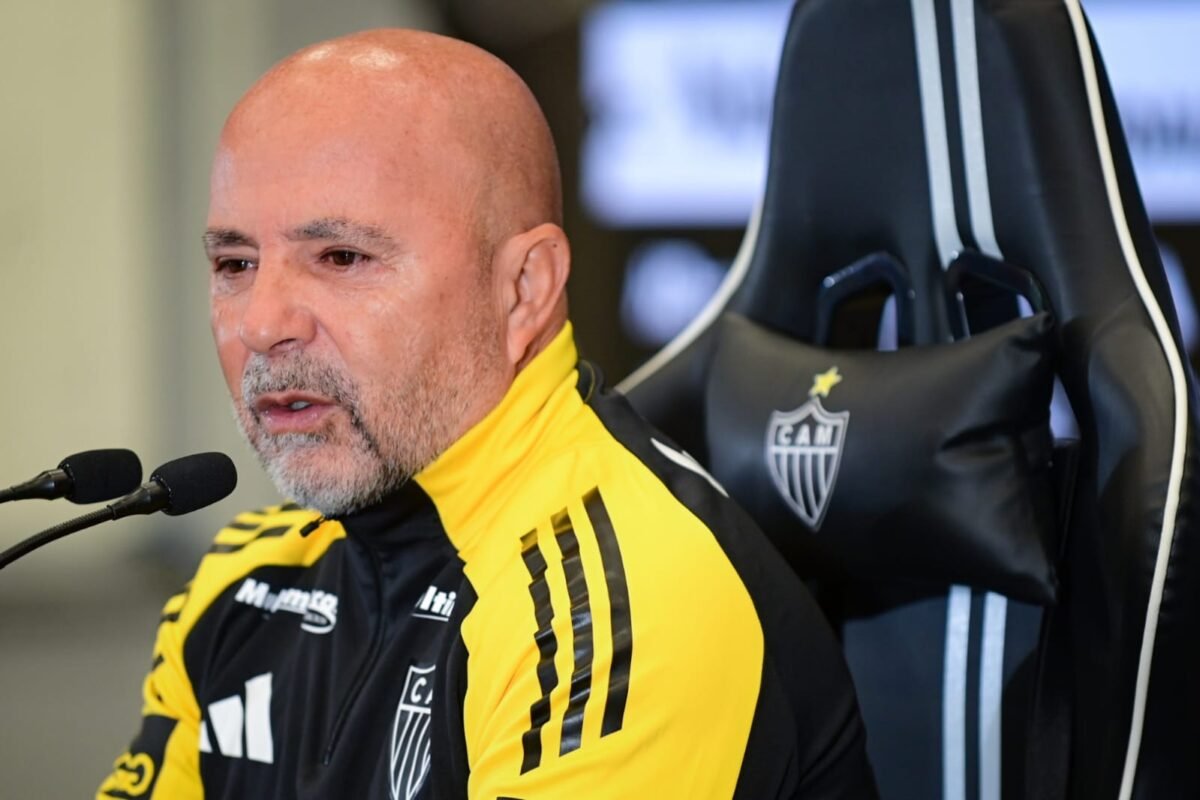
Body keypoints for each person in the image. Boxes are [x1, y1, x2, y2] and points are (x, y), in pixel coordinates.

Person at [97, 29, 877, 799]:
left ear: (524, 289)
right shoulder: (242, 581)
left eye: (341, 258)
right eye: (235, 264)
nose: (262, 323)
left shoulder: (619, 608)